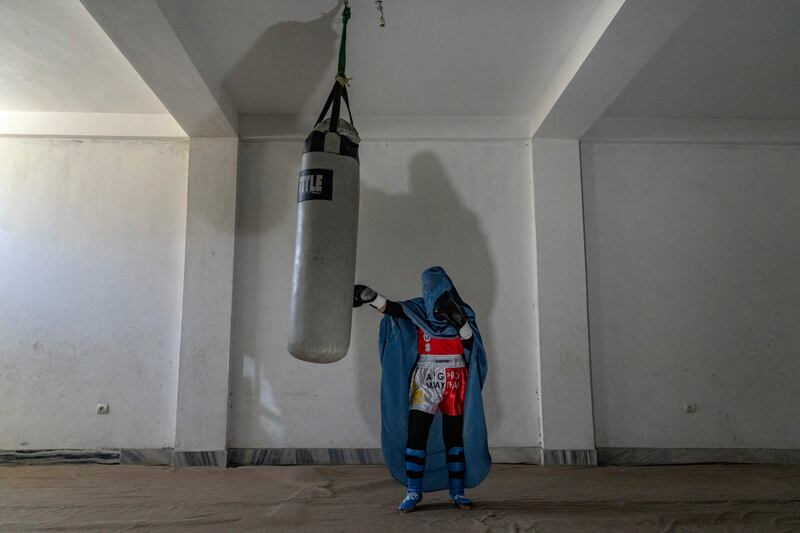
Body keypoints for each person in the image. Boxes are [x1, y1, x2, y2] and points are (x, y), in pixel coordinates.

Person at [353, 266, 490, 512]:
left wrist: (459, 322)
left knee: (454, 436)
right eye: (427, 289)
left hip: (455, 377)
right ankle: (413, 490)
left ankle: (457, 492)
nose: (431, 293)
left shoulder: (463, 312)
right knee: (416, 434)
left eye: (436, 288)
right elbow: (394, 310)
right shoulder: (417, 310)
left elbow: (472, 345)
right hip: (425, 378)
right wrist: (370, 297)